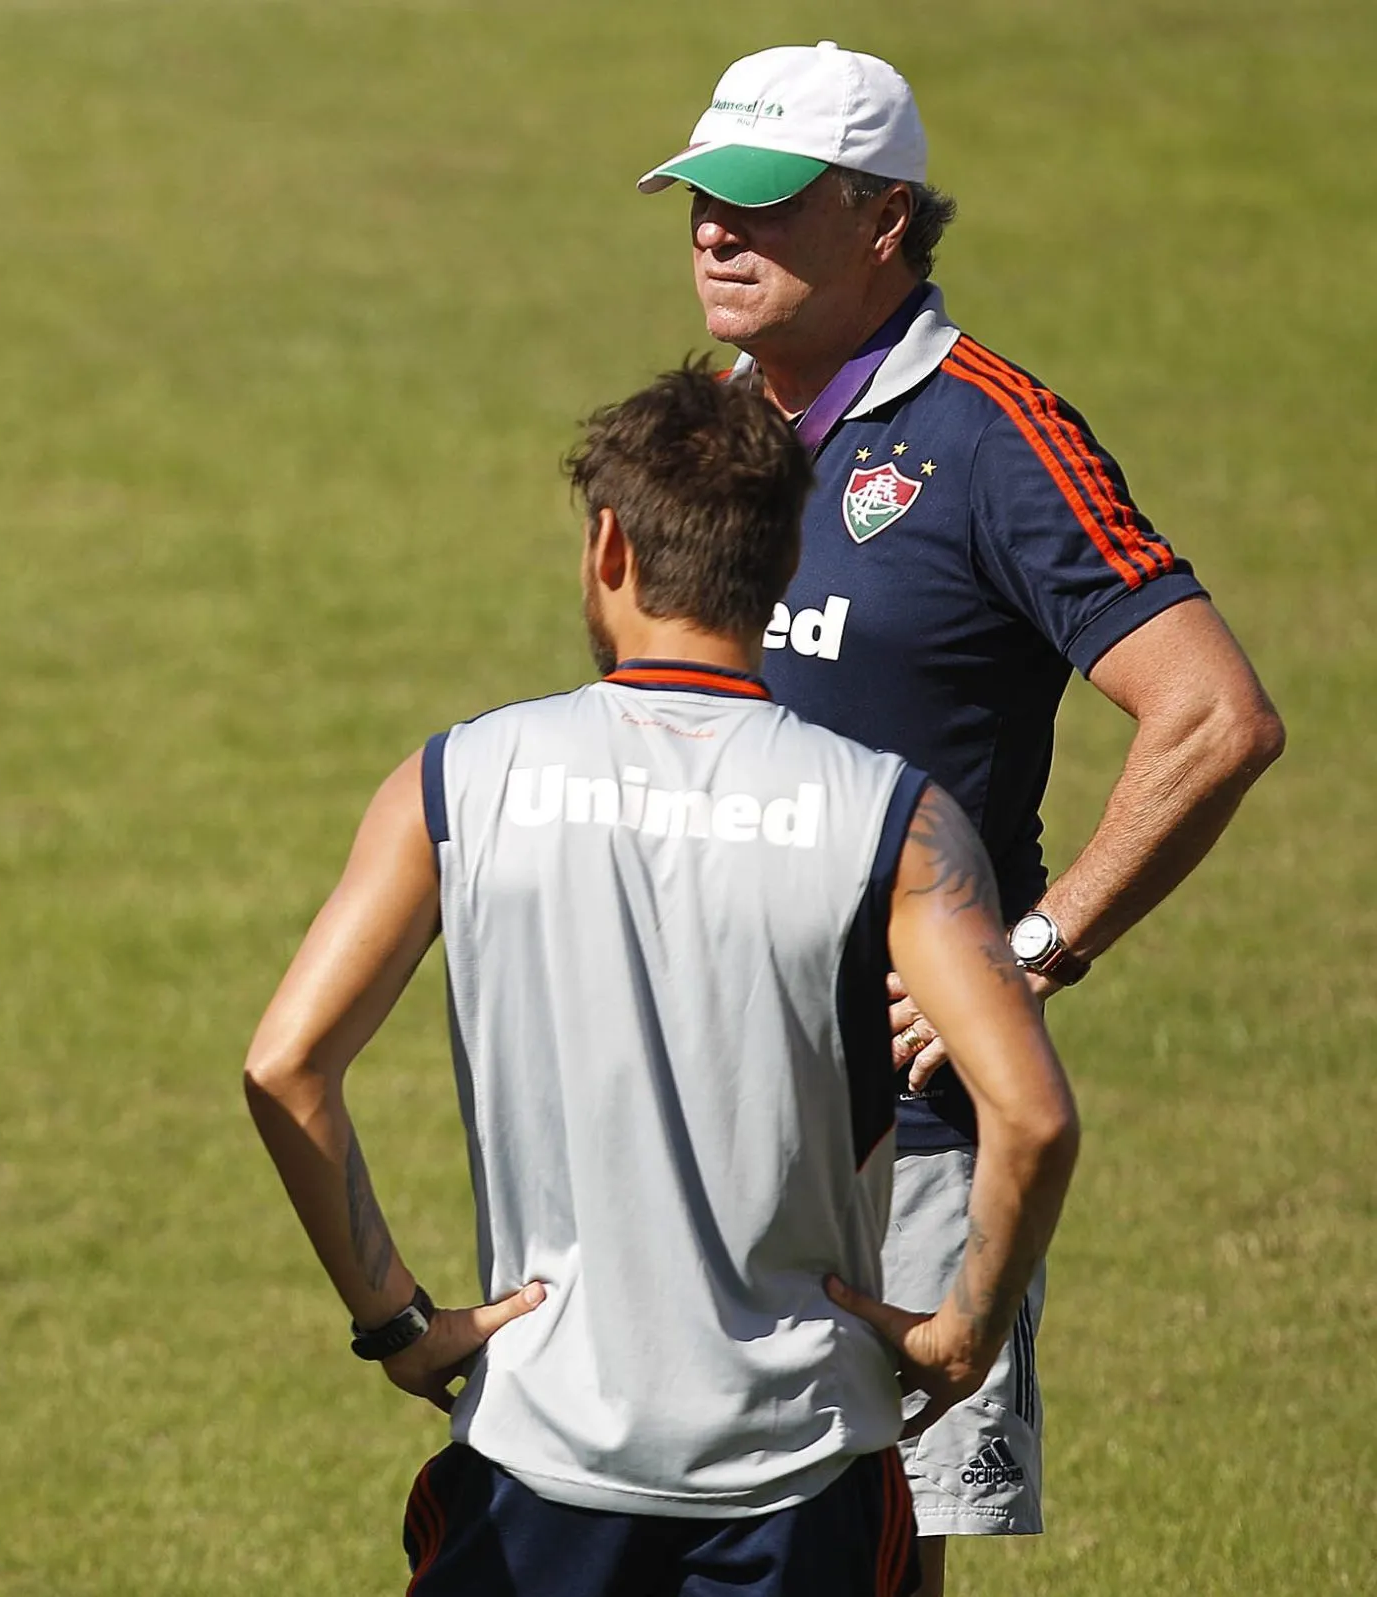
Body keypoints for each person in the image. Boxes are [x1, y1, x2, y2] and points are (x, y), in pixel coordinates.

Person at [243, 365, 1081, 1596]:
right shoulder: (892, 819)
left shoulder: (457, 783)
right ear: (787, 562)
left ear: (605, 547)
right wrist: (960, 1330)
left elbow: (285, 1065)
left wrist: (399, 1321)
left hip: (537, 1461)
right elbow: (1033, 1113)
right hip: (801, 1476)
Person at [637, 40, 1285, 1592]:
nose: (714, 230)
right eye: (701, 198)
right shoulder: (693, 430)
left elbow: (1214, 714)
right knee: (662, 1519)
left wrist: (1036, 951)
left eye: (762, 201)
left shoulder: (998, 441)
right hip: (689, 1091)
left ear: (884, 219)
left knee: (885, 1539)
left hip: (909, 1137)